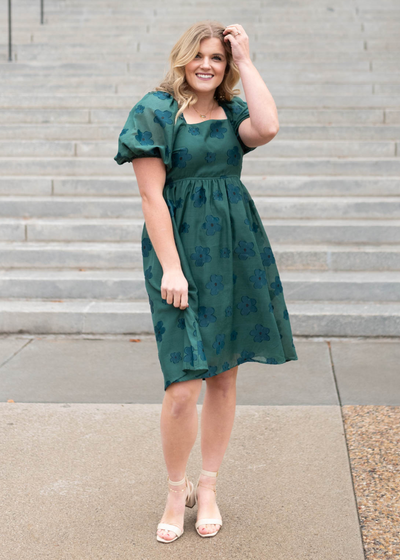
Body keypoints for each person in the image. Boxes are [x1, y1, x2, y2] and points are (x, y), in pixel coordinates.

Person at [114, 20, 298, 543]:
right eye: (200, 56)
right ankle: (178, 489)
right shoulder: (154, 111)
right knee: (182, 387)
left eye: (218, 58)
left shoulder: (233, 110)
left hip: (234, 249)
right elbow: (152, 197)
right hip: (177, 252)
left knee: (223, 376)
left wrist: (247, 59)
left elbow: (267, 127)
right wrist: (171, 267)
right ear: (182, 58)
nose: (207, 65)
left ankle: (209, 487)